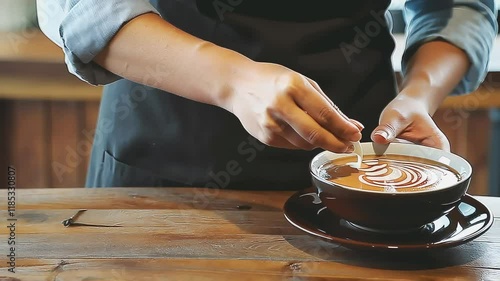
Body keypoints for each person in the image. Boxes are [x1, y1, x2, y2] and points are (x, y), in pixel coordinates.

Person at [37, 0, 497, 190]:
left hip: (355, 170)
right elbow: (83, 7)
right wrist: (234, 80)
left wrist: (418, 95)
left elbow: (457, 5)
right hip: (162, 158)